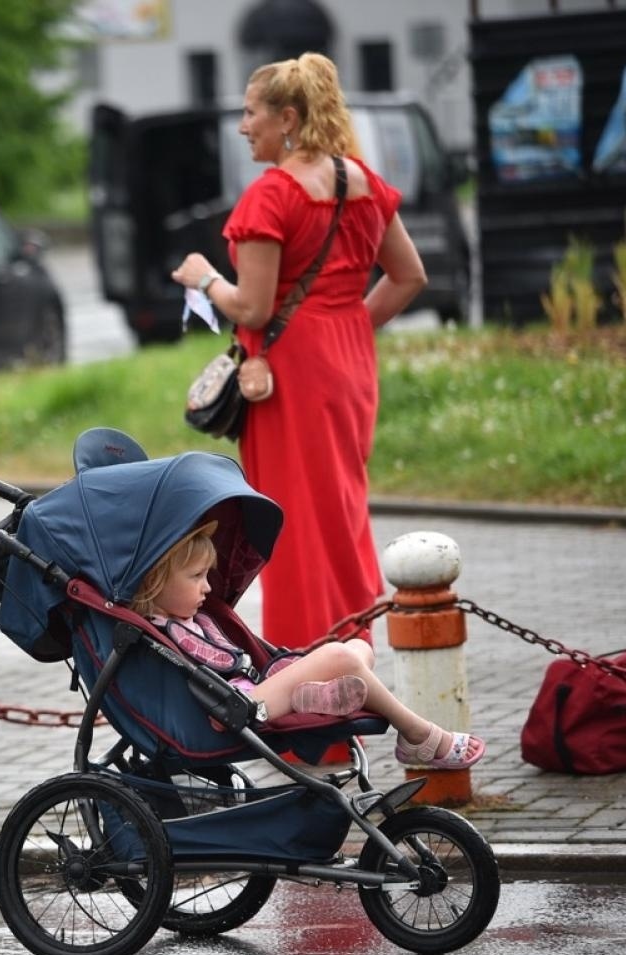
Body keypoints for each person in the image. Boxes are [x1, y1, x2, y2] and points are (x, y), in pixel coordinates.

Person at [170, 53, 428, 650]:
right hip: (348, 362)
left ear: (287, 118)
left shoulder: (273, 196)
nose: (242, 126)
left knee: (293, 530)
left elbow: (254, 309)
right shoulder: (361, 182)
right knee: (340, 515)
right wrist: (346, 327)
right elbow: (409, 276)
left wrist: (205, 278)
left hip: (292, 375)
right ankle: (352, 658)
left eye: (250, 112)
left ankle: (311, 691)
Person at [133, 521, 484, 768]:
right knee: (338, 655)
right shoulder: (153, 629)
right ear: (154, 582)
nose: (208, 587)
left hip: (253, 693)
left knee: (359, 648)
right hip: (231, 711)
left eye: (207, 575)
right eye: (196, 577)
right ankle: (417, 734)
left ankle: (311, 698)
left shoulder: (194, 617)